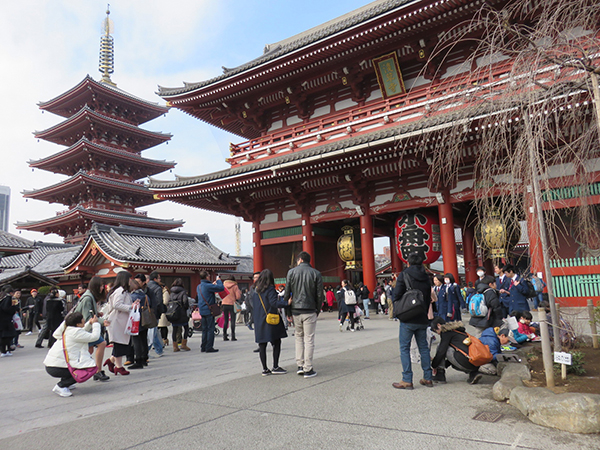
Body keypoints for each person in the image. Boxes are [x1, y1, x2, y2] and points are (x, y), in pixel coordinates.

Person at [391, 252, 433, 390]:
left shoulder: (404, 274)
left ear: (408, 262)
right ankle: (427, 377)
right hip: (422, 317)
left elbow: (396, 294)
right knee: (424, 348)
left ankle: (407, 379)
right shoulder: (426, 277)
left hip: (408, 317)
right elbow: (428, 298)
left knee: (405, 348)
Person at [283, 251, 323, 378]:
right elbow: (319, 295)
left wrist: (288, 311)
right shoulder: (316, 273)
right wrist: (317, 310)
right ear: (308, 260)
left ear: (299, 260)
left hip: (295, 309)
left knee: (298, 337)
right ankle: (308, 368)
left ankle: (300, 365)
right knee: (309, 338)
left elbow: (287, 293)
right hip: (310, 309)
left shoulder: (291, 272)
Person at [43, 312, 101, 397]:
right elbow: (94, 337)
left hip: (52, 365)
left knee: (74, 367)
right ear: (78, 324)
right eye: (82, 319)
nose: (84, 320)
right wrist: (96, 324)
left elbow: (82, 332)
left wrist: (89, 323)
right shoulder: (76, 332)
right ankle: (61, 386)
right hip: (57, 367)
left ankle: (67, 384)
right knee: (86, 371)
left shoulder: (68, 329)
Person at [73, 276, 111, 381]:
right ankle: (97, 371)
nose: (103, 288)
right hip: (85, 329)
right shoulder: (88, 298)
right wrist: (102, 321)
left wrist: (97, 314)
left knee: (87, 351)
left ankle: (90, 370)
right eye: (101, 286)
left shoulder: (88, 296)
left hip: (83, 328)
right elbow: (88, 318)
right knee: (101, 344)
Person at [252, 269, 289, 376]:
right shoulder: (270, 289)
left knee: (262, 344)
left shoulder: (254, 289)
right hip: (270, 318)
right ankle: (275, 366)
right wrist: (286, 303)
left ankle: (264, 369)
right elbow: (274, 303)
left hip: (259, 319)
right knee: (276, 342)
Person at [104, 271, 140, 376]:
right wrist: (130, 307)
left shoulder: (119, 291)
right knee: (119, 344)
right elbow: (117, 304)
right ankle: (118, 367)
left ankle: (112, 361)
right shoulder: (121, 291)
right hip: (117, 320)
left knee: (120, 343)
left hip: (119, 320)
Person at [430, 317, 482, 385]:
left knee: (442, 347)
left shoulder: (446, 333)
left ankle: (440, 375)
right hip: (475, 361)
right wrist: (446, 364)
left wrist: (434, 365)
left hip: (465, 362)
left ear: (438, 325)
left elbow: (441, 352)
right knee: (457, 351)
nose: (437, 333)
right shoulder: (458, 330)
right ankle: (473, 373)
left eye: (435, 330)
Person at [197, 270, 224, 353]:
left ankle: (203, 346)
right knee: (210, 329)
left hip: (202, 309)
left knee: (204, 329)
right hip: (209, 310)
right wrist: (219, 281)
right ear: (206, 276)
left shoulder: (199, 286)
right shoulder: (208, 286)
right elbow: (221, 288)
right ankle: (209, 347)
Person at [128, 275, 149, 369]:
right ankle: (145, 358)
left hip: (135, 319)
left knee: (136, 340)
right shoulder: (144, 295)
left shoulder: (132, 296)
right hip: (144, 318)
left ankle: (138, 360)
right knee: (144, 339)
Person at [146, 271, 164, 357]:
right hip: (154, 312)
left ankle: (159, 349)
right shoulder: (157, 288)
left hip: (146, 311)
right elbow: (159, 301)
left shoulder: (146, 286)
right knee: (152, 332)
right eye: (159, 278)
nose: (160, 280)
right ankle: (146, 350)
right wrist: (160, 310)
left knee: (154, 331)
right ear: (155, 279)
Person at [170, 278, 191, 352]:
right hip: (182, 313)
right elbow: (185, 302)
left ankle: (175, 346)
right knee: (186, 328)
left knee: (174, 330)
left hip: (174, 313)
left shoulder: (171, 292)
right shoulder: (183, 292)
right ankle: (183, 344)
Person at [221, 275, 241, 341]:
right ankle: (233, 336)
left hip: (224, 304)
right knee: (232, 320)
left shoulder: (223, 285)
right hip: (232, 304)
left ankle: (224, 335)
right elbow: (238, 296)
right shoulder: (235, 286)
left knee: (226, 320)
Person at [0, 285, 19, 357]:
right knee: (8, 335)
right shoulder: (8, 298)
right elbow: (6, 308)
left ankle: (5, 351)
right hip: (6, 320)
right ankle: (6, 350)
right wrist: (14, 308)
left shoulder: (2, 297)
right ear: (11, 292)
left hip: (2, 320)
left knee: (3, 336)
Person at [158, 282, 170, 347]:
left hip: (163, 311)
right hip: (160, 311)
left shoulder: (165, 293)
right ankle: (162, 340)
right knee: (159, 327)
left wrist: (159, 303)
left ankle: (164, 339)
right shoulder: (159, 292)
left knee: (163, 326)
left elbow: (165, 301)